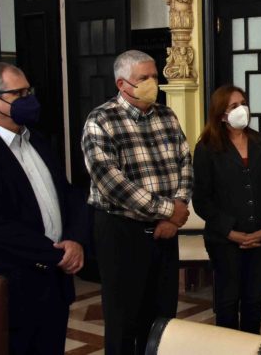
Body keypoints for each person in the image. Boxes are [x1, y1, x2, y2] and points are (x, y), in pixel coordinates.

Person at [0, 62, 87, 355]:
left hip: (54, 284)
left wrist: (75, 240)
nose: (29, 99)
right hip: (10, 286)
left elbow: (69, 196)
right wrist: (55, 254)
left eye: (28, 91)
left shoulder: (38, 141)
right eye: (19, 94)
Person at [81, 50, 192, 355]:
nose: (152, 83)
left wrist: (175, 211)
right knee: (123, 317)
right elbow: (111, 183)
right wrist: (168, 210)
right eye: (144, 78)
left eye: (155, 76)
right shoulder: (101, 120)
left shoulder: (167, 115)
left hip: (166, 232)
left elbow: (185, 163)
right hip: (122, 231)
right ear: (122, 84)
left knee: (161, 316)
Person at [192, 85, 261, 334]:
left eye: (243, 103)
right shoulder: (206, 149)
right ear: (221, 114)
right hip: (225, 240)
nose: (242, 109)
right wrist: (230, 232)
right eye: (234, 106)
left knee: (253, 300)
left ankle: (251, 347)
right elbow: (201, 199)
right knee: (227, 301)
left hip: (260, 237)